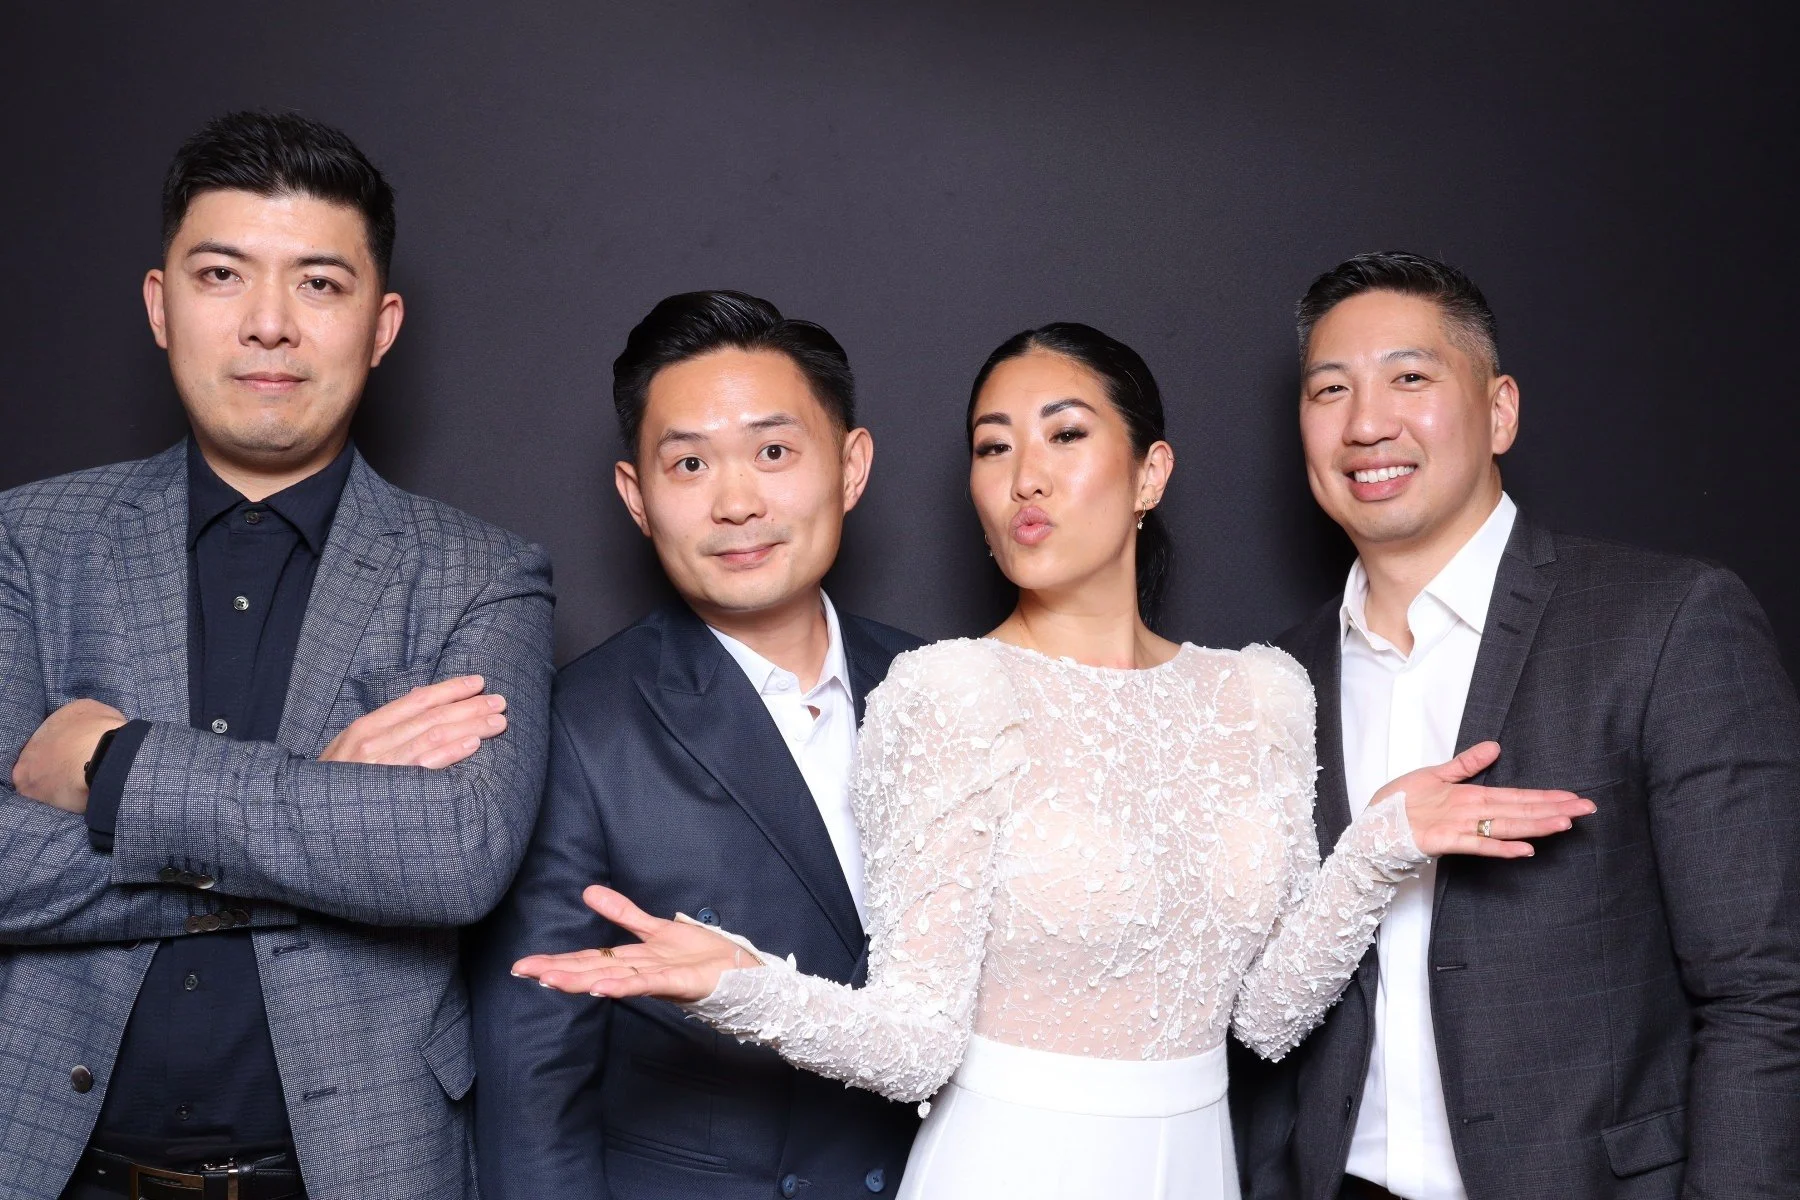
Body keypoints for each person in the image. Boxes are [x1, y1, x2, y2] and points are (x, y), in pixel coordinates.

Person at [514, 322, 1592, 1199]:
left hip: (1195, 1159)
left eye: (1065, 436)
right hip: (1011, 1162)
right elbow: (915, 1047)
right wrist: (736, 984)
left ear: (1149, 471)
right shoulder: (946, 693)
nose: (1024, 476)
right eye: (992, 447)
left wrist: (1382, 848)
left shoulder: (1262, 691)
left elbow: (1263, 1019)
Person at [0, 111, 554, 1200]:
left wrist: (118, 773)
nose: (267, 326)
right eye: (221, 276)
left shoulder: (481, 574)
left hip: (357, 1171)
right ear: (161, 305)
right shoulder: (25, 542)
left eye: (318, 284)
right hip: (45, 1161)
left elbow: (454, 857)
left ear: (380, 324)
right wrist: (326, 815)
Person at [1234, 251, 1800, 1200]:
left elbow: (1766, 994)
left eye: (1410, 378)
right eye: (1331, 390)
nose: (1367, 423)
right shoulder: (1277, 680)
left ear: (1499, 410)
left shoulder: (1666, 622)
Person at [470, 291, 924, 1198]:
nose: (736, 501)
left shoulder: (936, 680)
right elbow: (533, 1081)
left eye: (774, 451)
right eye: (688, 463)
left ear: (852, 465)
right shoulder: (579, 724)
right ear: (637, 498)